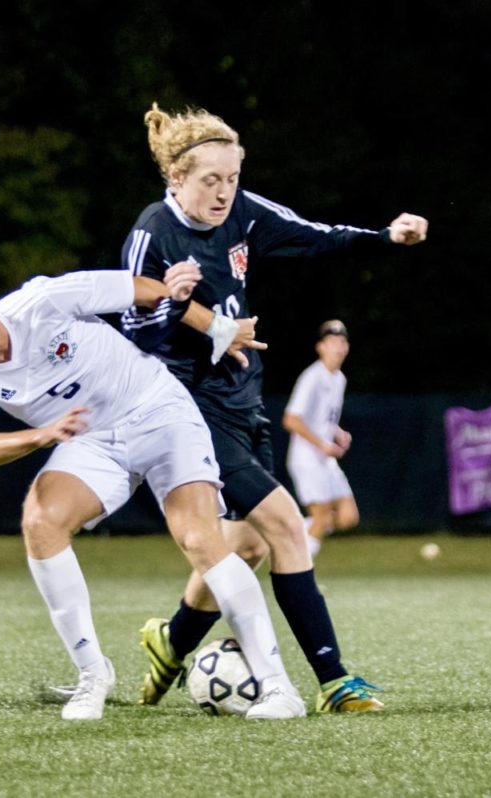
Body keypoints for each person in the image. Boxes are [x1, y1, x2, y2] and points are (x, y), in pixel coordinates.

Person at [119, 102, 428, 713]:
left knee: (248, 548)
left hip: (243, 402)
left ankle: (171, 641)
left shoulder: (246, 215)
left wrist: (386, 237)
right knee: (287, 525)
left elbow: (314, 237)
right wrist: (187, 312)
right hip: (189, 410)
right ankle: (334, 680)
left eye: (233, 178)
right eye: (211, 179)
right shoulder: (152, 232)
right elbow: (128, 327)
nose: (225, 191)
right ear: (175, 179)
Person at [0, 265, 305, 720]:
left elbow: (145, 291)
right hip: (90, 439)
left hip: (157, 410)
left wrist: (218, 328)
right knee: (41, 521)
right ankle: (93, 673)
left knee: (198, 538)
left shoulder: (43, 301)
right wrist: (40, 436)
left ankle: (278, 688)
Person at [282, 319, 359, 559]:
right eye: (333, 342)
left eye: (343, 342)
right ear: (321, 347)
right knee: (322, 516)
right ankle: (300, 570)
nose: (339, 346)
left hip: (324, 460)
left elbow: (324, 418)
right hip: (306, 458)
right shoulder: (312, 377)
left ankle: (296, 532)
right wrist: (322, 444)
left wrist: (337, 433)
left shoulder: (339, 378)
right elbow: (291, 419)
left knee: (348, 517)